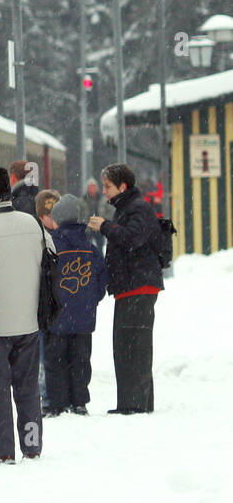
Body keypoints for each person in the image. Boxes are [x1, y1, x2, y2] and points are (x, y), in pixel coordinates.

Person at [0, 167, 56, 462]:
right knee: (27, 387)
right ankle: (32, 444)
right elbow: (51, 255)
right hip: (28, 322)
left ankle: (1, 450)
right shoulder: (32, 223)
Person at [88, 163, 163, 415]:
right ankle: (137, 400)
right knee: (131, 344)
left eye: (108, 186)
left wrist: (106, 227)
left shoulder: (136, 208)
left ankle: (133, 403)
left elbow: (133, 238)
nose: (104, 191)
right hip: (132, 286)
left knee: (131, 346)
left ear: (122, 186)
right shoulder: (130, 207)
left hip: (137, 285)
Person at [45, 195, 107, 416]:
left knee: (56, 362)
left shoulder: (52, 247)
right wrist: (89, 301)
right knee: (81, 362)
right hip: (83, 318)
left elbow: (44, 281)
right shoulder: (90, 248)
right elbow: (101, 282)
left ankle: (58, 402)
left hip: (56, 317)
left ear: (58, 219)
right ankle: (79, 401)